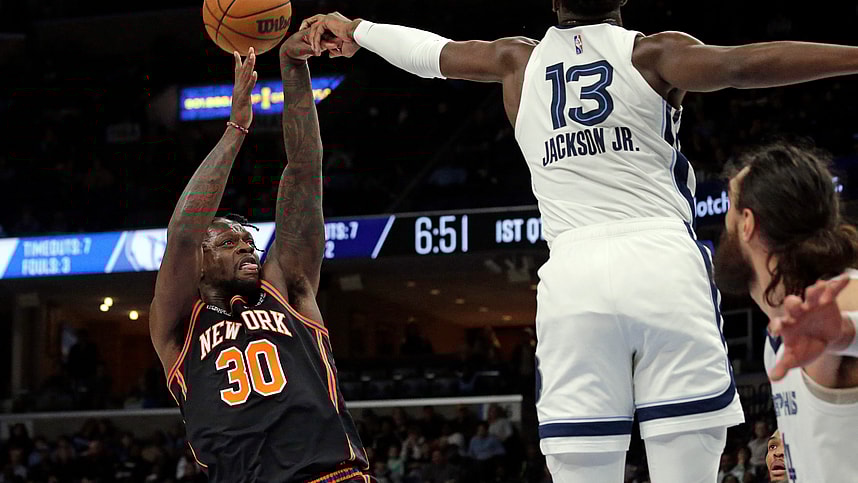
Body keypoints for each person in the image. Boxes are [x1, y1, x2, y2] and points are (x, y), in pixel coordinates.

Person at [298, 2, 858, 482]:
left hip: (573, 276)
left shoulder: (516, 60)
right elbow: (745, 65)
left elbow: (433, 54)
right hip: (662, 261)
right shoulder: (653, 54)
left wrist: (358, 29)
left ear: (554, 6)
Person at [147, 31, 371, 482]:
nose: (247, 247)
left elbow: (305, 171)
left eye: (248, 241)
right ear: (202, 262)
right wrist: (236, 129)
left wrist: (294, 68)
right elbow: (183, 233)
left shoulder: (285, 285)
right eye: (229, 243)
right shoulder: (177, 328)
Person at [713, 142, 858, 482]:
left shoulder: (840, 299)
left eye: (730, 208)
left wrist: (844, 333)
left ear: (746, 223)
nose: (725, 223)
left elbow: (846, 320)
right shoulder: (780, 333)